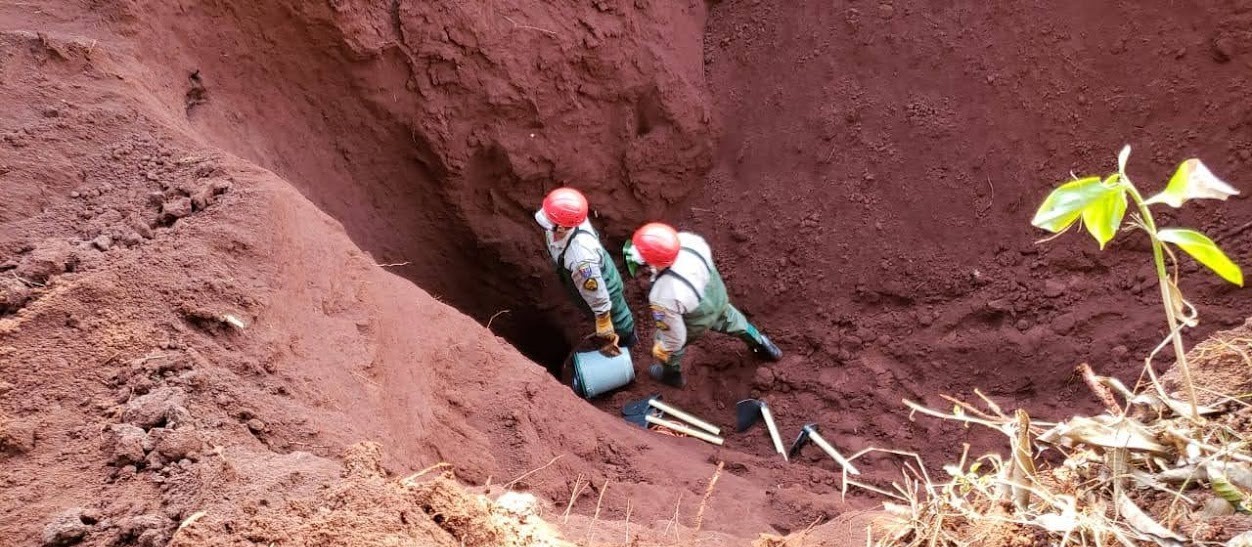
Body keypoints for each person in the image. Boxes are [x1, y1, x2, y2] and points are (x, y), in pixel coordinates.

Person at [624, 222, 782, 387]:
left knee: (666, 342)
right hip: (717, 295)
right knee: (732, 320)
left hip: (697, 315)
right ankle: (761, 343)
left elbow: (675, 337)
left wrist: (663, 348)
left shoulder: (663, 293)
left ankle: (671, 375)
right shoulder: (690, 242)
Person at [535, 188, 637, 355]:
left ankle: (628, 342)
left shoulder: (580, 258)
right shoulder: (568, 218)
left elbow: (596, 292)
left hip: (604, 287)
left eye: (549, 220)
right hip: (585, 276)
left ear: (561, 228)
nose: (546, 223)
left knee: (617, 318)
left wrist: (603, 317)